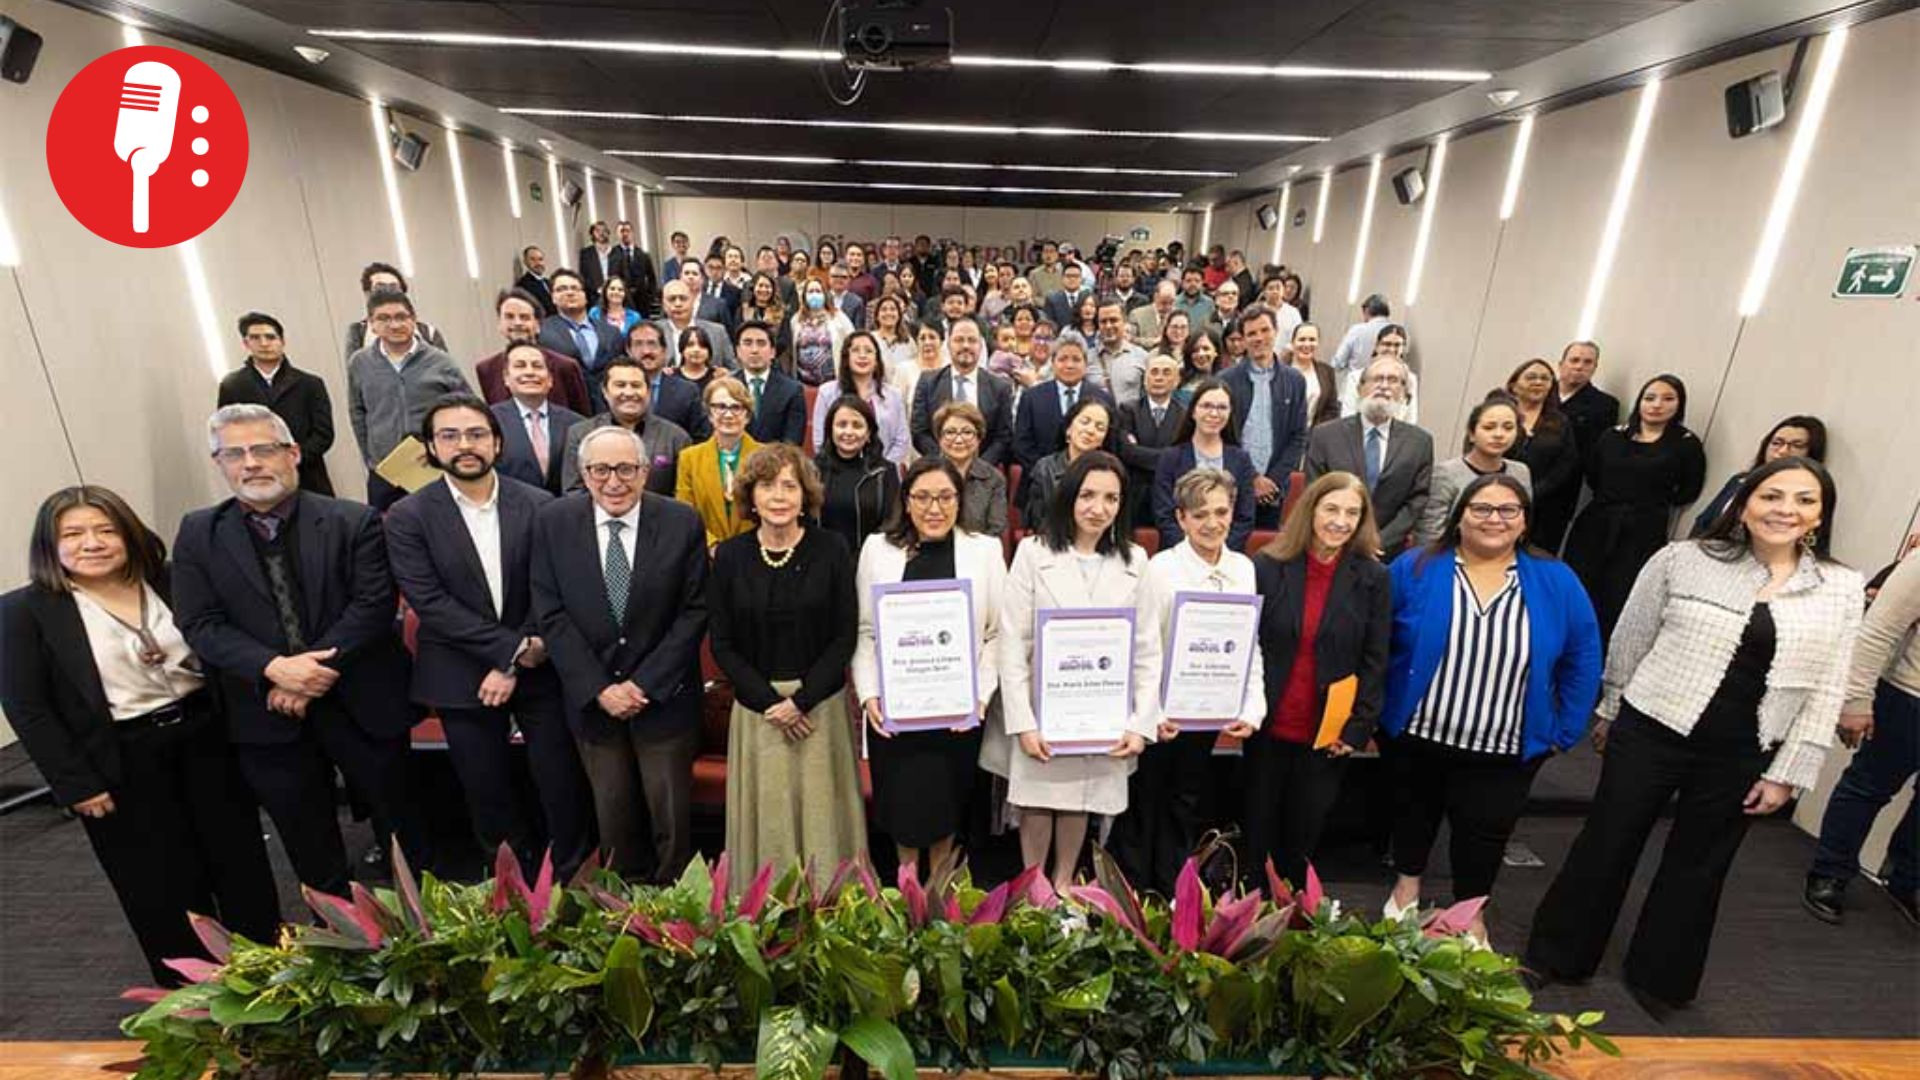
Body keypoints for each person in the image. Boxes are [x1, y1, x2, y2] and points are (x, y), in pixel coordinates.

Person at [1528, 458, 1862, 1011]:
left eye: (1805, 500)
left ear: (1820, 516)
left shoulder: (1841, 587)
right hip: (1652, 726)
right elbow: (1632, 638)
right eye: (1771, 496)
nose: (1785, 509)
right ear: (1743, 504)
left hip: (1746, 748)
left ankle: (1659, 980)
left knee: (1700, 865)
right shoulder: (1683, 559)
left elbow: (1828, 685)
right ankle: (1558, 956)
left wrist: (1789, 772)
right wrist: (1610, 710)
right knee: (1606, 842)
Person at [0, 486, 280, 985]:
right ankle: (191, 991)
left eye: (106, 530)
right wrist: (76, 784)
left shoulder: (171, 580)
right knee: (156, 879)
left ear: (128, 534)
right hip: (120, 756)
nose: (92, 543)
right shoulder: (25, 610)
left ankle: (271, 974)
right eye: (73, 534)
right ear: (49, 545)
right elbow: (29, 708)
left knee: (240, 861)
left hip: (204, 736)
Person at [172, 404, 430, 894]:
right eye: (235, 453)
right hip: (267, 712)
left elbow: (373, 605)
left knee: (403, 830)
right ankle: (334, 932)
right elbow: (200, 624)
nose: (251, 463)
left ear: (292, 453)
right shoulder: (199, 533)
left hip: (362, 701)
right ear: (219, 463)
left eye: (263, 449)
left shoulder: (352, 520)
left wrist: (306, 675)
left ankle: (423, 923)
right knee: (309, 843)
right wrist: (274, 668)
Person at [1380, 474, 1602, 943]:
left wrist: (1565, 730)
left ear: (1524, 522)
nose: (1494, 519)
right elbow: (1378, 640)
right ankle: (1406, 888)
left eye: (1507, 510)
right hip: (1418, 733)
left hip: (1505, 744)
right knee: (1412, 816)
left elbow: (1583, 655)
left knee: (1485, 834)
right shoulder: (1415, 567)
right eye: (1481, 508)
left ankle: (1471, 911)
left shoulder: (1556, 580)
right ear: (1459, 516)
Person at [385, 395, 594, 878]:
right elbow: (430, 602)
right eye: (450, 436)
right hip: (461, 670)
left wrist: (522, 653)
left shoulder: (541, 505)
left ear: (497, 442)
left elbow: (555, 586)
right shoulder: (408, 516)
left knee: (561, 782)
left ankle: (575, 880)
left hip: (541, 665)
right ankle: (511, 888)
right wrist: (509, 653)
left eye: (476, 434)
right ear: (431, 448)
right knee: (487, 791)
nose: (465, 445)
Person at [530, 426, 707, 882]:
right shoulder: (552, 522)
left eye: (626, 469)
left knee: (671, 817)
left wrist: (643, 683)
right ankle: (620, 903)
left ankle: (675, 903)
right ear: (583, 473)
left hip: (664, 698)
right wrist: (599, 688)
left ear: (645, 472)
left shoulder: (681, 521)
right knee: (613, 816)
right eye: (601, 470)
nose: (614, 481)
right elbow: (551, 613)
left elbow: (695, 610)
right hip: (594, 703)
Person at [996, 451, 1160, 892]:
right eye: (1088, 495)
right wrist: (1023, 723)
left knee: (1081, 798)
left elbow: (1147, 650)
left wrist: (1139, 724)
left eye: (1111, 498)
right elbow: (1012, 644)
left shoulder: (1135, 560)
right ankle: (1034, 889)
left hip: (1102, 713)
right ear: (1068, 496)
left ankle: (1065, 884)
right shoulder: (1033, 553)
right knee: (1039, 797)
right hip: (1043, 711)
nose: (1098, 508)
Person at [710, 443, 865, 882]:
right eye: (766, 486)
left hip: (819, 709)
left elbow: (844, 635)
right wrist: (769, 703)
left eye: (789, 486)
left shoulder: (832, 549)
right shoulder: (730, 556)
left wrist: (801, 701)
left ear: (805, 495)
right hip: (758, 712)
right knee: (769, 822)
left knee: (823, 822)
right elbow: (722, 642)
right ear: (750, 496)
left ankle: (831, 907)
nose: (778, 496)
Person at [853, 458, 1008, 875]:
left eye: (945, 497)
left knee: (946, 813)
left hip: (956, 714)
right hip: (895, 712)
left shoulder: (984, 550)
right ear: (906, 501)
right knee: (902, 815)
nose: (934, 508)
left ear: (960, 500)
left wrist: (979, 698)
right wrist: (869, 694)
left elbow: (997, 634)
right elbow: (866, 631)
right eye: (922, 497)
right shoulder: (877, 549)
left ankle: (939, 900)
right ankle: (906, 897)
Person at [1113, 469, 1265, 895]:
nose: (1212, 523)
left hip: (1208, 711)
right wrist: (1153, 712)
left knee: (1185, 802)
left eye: (1221, 512)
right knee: (1143, 803)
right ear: (1180, 518)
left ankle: (1173, 896)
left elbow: (1249, 643)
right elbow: (1143, 646)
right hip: (1160, 713)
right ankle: (1132, 896)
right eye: (1200, 515)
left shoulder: (1243, 568)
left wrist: (1251, 707)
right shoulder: (1161, 568)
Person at [1243, 472, 1390, 889]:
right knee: (1256, 835)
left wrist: (1358, 726)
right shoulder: (1267, 566)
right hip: (1268, 725)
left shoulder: (1374, 578)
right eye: (1331, 509)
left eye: (1352, 513)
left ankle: (1292, 915)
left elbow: (1376, 658)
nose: (1340, 521)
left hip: (1327, 732)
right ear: (1310, 509)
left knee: (1301, 840)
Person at [1806, 544, 1920, 926]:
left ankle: (1906, 880)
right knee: (1868, 787)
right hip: (1909, 696)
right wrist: (1856, 701)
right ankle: (1830, 873)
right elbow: (1877, 631)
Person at [1563, 373, 1708, 638]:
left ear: (1679, 405)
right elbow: (1594, 475)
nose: (1657, 405)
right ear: (1640, 401)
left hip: (1644, 529)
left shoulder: (1686, 444)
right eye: (1649, 398)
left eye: (1668, 399)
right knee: (1575, 586)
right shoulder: (1613, 436)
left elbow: (1689, 490)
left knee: (1618, 595)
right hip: (1597, 521)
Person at [346, 289, 474, 509]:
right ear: (372, 324)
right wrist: (370, 458)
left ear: (414, 319)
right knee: (387, 525)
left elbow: (467, 409)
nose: (394, 325)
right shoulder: (360, 363)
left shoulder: (440, 361)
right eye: (384, 318)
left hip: (432, 464)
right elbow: (357, 412)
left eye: (401, 317)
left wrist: (443, 446)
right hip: (385, 470)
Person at [1304, 357, 1434, 555]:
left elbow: (1416, 501)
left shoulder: (1419, 443)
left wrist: (1379, 542)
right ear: (1360, 388)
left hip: (1385, 552)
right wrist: (1341, 536)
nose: (1384, 386)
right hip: (1329, 544)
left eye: (1393, 380)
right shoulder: (1326, 435)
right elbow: (1314, 490)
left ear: (1404, 392)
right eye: (1377, 379)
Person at [219, 311, 335, 495]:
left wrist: (289, 459)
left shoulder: (310, 383)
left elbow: (323, 434)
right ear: (246, 343)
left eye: (270, 337)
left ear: (282, 341)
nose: (264, 343)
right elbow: (227, 435)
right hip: (256, 476)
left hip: (308, 475)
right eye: (255, 338)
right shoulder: (232, 386)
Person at [1222, 305, 1311, 529]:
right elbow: (1223, 436)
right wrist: (1252, 478)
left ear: (1276, 331)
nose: (1259, 338)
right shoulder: (1226, 380)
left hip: (1274, 489)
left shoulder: (1295, 381)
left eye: (1265, 330)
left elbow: (1298, 436)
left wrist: (1272, 480)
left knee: (1266, 545)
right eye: (1251, 333)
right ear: (1243, 339)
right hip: (1232, 485)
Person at [561, 357, 693, 497]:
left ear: (648, 391)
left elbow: (682, 495)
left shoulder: (676, 438)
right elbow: (573, 492)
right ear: (605, 391)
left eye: (636, 385)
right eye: (620, 385)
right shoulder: (581, 434)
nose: (629, 393)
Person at [1414, 394, 1535, 545]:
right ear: (1472, 434)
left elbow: (1522, 525)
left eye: (1508, 428)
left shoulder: (1521, 472)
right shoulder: (1446, 473)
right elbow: (1430, 533)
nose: (1499, 435)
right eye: (1489, 427)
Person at [1153, 378, 1256, 552]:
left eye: (1222, 407)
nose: (1214, 414)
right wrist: (1194, 551)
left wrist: (1217, 549)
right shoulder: (1171, 457)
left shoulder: (1241, 460)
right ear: (1193, 411)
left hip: (1225, 555)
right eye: (1207, 406)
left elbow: (1244, 518)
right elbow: (1164, 515)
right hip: (1179, 554)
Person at [1691, 416, 1827, 537]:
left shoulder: (1809, 497)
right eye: (1777, 443)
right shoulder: (1740, 480)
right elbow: (1704, 522)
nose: (1782, 451)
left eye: (1797, 445)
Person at [911, 316, 1015, 466]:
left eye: (972, 340)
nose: (966, 345)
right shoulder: (928, 382)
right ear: (948, 344)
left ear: (981, 346)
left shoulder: (999, 387)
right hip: (939, 469)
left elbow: (1003, 437)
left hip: (983, 471)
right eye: (959, 340)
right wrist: (945, 463)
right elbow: (919, 432)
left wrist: (976, 467)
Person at [1013, 338, 1114, 490]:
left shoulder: (1103, 398)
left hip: (1090, 483)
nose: (1069, 365)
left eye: (1076, 359)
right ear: (1053, 363)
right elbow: (1022, 444)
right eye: (1063, 359)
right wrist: (1049, 474)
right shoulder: (1032, 397)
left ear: (1085, 364)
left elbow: (1110, 444)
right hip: (1039, 484)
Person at [474, 288, 594, 416]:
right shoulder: (486, 369)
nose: (517, 323)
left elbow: (582, 417)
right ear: (500, 323)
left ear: (538, 325)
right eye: (509, 317)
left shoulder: (565, 366)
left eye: (524, 317)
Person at [1503, 359, 1581, 554]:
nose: (1538, 382)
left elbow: (1566, 464)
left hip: (1541, 507)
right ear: (1514, 384)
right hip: (1494, 497)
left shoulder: (1560, 422)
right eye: (1531, 377)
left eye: (1545, 379)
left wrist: (1533, 492)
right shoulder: (1498, 415)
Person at [677, 377, 763, 549]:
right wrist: (712, 546)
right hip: (705, 552)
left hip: (755, 551)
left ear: (747, 415)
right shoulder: (689, 458)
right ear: (709, 414)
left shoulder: (766, 456)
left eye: (736, 407)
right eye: (721, 407)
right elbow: (685, 512)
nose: (728, 415)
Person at [492, 342, 585, 494]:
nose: (530, 372)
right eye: (520, 366)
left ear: (550, 379)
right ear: (506, 378)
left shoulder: (576, 423)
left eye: (537, 366)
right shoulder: (490, 421)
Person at [809, 330, 910, 464]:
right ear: (846, 358)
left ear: (877, 360)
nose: (862, 356)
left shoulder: (893, 395)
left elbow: (901, 440)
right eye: (856, 350)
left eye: (868, 351)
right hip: (837, 471)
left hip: (883, 470)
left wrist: (882, 469)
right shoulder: (826, 393)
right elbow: (820, 441)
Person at [815, 396, 901, 554]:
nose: (849, 432)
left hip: (870, 558)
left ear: (868, 433)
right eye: (842, 425)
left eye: (857, 425)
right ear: (830, 430)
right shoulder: (814, 470)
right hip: (821, 558)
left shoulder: (885, 472)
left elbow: (892, 522)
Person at [1023, 397, 1122, 530]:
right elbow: (1038, 520)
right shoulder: (1045, 469)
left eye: (1100, 428)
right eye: (1085, 422)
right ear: (1068, 428)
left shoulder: (1111, 472)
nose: (1090, 430)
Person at [1117, 353, 1188, 528]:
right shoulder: (1128, 410)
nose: (1159, 377)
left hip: (1169, 495)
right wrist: (1168, 455)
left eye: (1166, 373)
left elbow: (1183, 456)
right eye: (1154, 372)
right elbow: (1127, 452)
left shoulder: (1185, 416)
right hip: (1134, 496)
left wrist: (1141, 452)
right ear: (1145, 379)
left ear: (1177, 381)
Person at [624, 321, 710, 442]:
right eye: (638, 344)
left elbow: (700, 438)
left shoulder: (687, 392)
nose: (646, 351)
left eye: (652, 344)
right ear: (628, 350)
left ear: (664, 350)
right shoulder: (615, 390)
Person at [932, 401, 1008, 537]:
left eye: (967, 432)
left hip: (979, 547)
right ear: (939, 438)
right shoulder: (924, 474)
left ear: (979, 438)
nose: (959, 440)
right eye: (950, 432)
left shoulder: (993, 478)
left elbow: (996, 528)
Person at [343, 262, 449, 358]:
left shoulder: (428, 332)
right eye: (380, 287)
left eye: (394, 287)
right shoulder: (358, 332)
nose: (388, 292)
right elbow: (355, 370)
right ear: (368, 294)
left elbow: (444, 368)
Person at [537, 270, 622, 383]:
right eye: (562, 289)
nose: (570, 293)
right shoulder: (542, 331)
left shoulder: (612, 332)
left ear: (585, 296)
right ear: (553, 297)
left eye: (575, 288)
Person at [735, 321, 808, 448]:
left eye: (761, 343)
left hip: (776, 459)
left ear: (773, 352)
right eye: (747, 343)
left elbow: (792, 442)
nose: (754, 350)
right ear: (738, 351)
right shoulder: (726, 388)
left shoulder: (792, 390)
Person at [1555, 341, 1620, 457]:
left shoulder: (1605, 405)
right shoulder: (1541, 394)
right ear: (1561, 365)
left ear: (1594, 368)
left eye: (1588, 362)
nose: (1579, 367)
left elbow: (1598, 451)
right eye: (1574, 360)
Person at [1329, 294, 1391, 414]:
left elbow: (1338, 362)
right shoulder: (1396, 332)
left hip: (1355, 391)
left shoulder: (1357, 330)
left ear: (1366, 311)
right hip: (1384, 395)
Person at [790, 277, 858, 387]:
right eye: (810, 291)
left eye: (818, 291)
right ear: (804, 296)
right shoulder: (796, 320)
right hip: (803, 384)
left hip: (832, 383)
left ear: (825, 295)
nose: (814, 294)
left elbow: (853, 342)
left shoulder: (838, 317)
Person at [656, 279, 737, 371]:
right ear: (663, 304)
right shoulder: (653, 332)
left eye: (683, 298)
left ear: (693, 301)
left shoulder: (717, 332)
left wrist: (724, 374)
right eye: (672, 299)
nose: (678, 304)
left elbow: (734, 370)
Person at [1088, 298, 1150, 406]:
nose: (1108, 326)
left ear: (1124, 322)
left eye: (1113, 320)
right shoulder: (1087, 358)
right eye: (1103, 321)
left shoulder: (1142, 357)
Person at [1283, 322, 1339, 428]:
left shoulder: (1327, 372)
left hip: (1314, 435)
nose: (1307, 344)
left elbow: (1331, 410)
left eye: (1312, 340)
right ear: (1292, 342)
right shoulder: (1277, 371)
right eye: (1302, 339)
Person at [612, 220, 659, 316]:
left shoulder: (643, 255)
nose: (625, 234)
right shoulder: (612, 254)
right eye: (622, 231)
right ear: (617, 234)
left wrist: (651, 296)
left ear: (632, 233)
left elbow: (651, 277)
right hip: (622, 300)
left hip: (642, 301)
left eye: (627, 231)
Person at [1173, 323, 1221, 400]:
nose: (1201, 354)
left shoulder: (1225, 379)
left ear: (1216, 351)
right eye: (1195, 350)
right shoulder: (1178, 379)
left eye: (1206, 349)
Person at [589, 275, 641, 341]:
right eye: (612, 289)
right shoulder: (595, 313)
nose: (616, 292)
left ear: (625, 294)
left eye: (620, 290)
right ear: (605, 291)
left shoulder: (635, 317)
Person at [579, 221, 618, 306]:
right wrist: (596, 289)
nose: (601, 233)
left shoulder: (618, 252)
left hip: (616, 294)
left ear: (608, 233)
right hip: (594, 296)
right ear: (592, 234)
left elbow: (624, 275)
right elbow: (584, 276)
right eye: (598, 230)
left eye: (604, 230)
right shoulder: (586, 253)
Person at [673, 325, 722, 393]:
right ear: (682, 349)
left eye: (702, 345)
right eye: (690, 345)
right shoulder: (671, 376)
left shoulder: (718, 376)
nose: (696, 350)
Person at [1129, 280, 1177, 347]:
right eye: (1164, 303)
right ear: (1155, 297)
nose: (1168, 307)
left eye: (1171, 303)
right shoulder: (1137, 315)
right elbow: (1130, 339)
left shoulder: (1178, 315)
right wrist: (1152, 342)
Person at [515, 246, 556, 318]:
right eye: (533, 259)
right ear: (525, 262)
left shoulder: (548, 282)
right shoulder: (523, 285)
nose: (538, 263)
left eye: (540, 259)